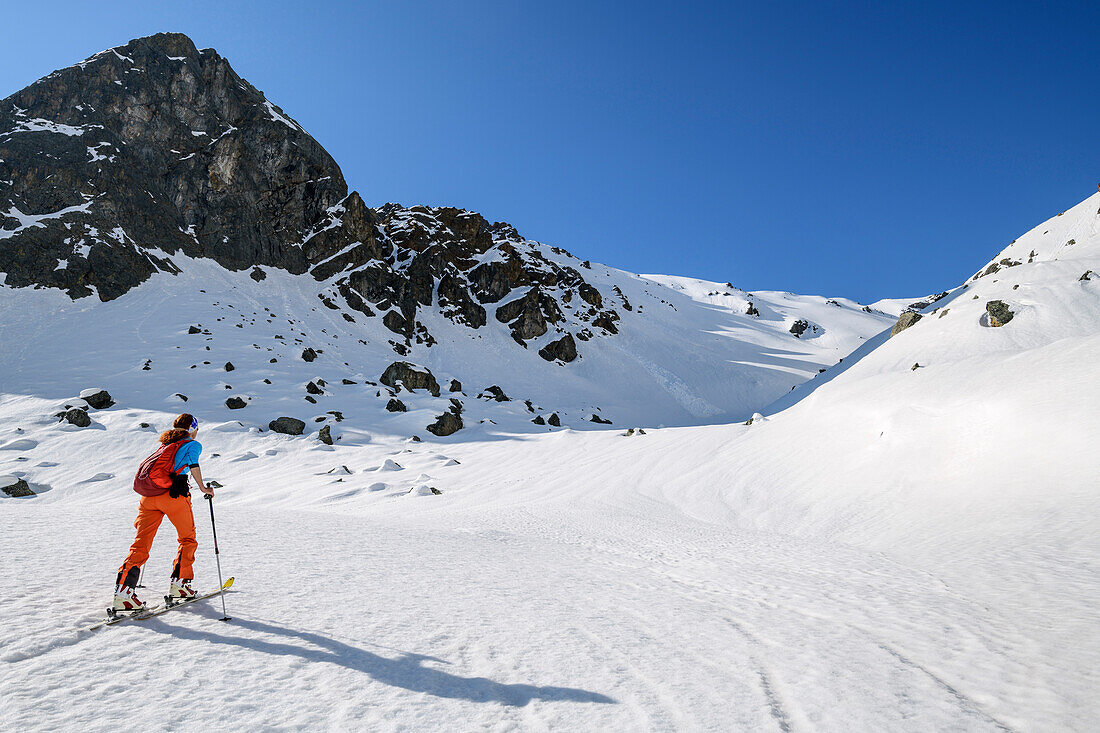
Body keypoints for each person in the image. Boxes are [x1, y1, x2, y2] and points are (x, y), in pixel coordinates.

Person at [113, 413, 214, 611]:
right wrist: (203, 488)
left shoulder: (165, 445)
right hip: (173, 497)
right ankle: (180, 586)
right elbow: (193, 465)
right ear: (192, 429)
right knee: (187, 539)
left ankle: (123, 593)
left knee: (140, 544)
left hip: (149, 497)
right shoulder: (192, 444)